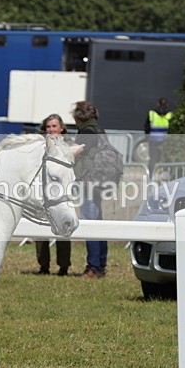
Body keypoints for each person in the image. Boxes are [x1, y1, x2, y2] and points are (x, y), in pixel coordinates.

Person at [72, 101, 108, 279]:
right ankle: (100, 264)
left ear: (79, 116)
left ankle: (93, 268)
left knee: (91, 223)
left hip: (89, 182)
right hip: (98, 181)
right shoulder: (97, 129)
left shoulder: (87, 131)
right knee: (98, 223)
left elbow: (75, 151)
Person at [34, 114, 71, 276]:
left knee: (63, 228)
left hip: (62, 194)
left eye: (54, 126)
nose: (51, 130)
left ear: (61, 128)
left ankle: (63, 266)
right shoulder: (41, 147)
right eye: (48, 127)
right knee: (40, 230)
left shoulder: (67, 147)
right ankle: (43, 266)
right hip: (43, 194)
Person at [144, 97, 173, 176]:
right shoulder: (170, 115)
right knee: (165, 159)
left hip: (153, 139)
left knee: (153, 159)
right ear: (167, 104)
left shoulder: (152, 113)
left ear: (158, 104)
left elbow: (147, 127)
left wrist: (147, 137)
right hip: (165, 140)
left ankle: (150, 176)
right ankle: (165, 176)